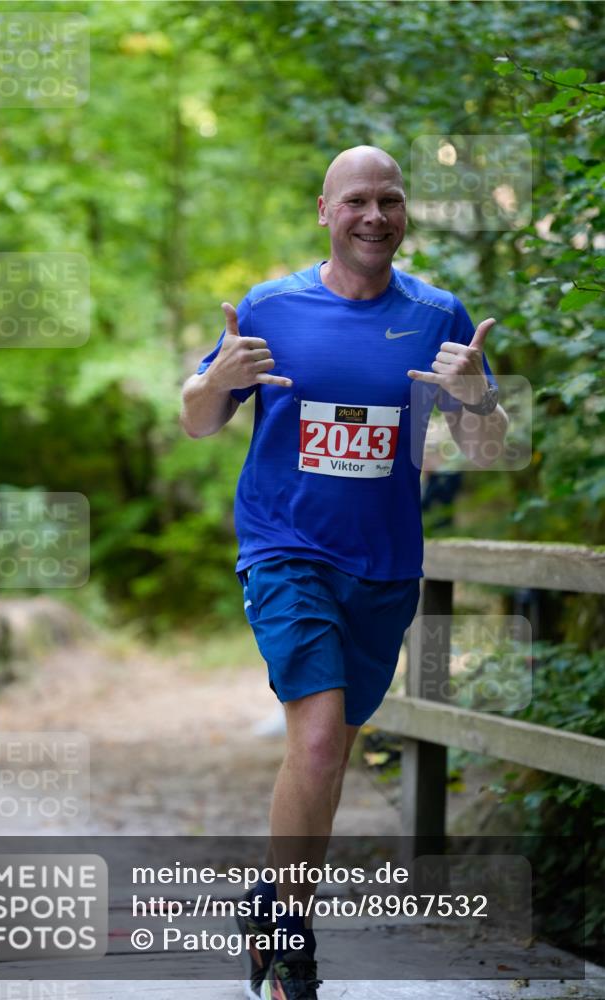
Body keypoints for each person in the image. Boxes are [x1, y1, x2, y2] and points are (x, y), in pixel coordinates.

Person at [180, 146, 508, 1000]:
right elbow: (197, 422)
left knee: (326, 752)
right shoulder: (268, 307)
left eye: (389, 201)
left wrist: (475, 396)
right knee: (320, 736)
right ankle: (293, 939)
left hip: (386, 567)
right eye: (356, 200)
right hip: (285, 548)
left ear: (404, 213)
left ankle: (270, 898)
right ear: (323, 211)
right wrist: (212, 382)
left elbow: (489, 451)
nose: (374, 216)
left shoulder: (439, 314)